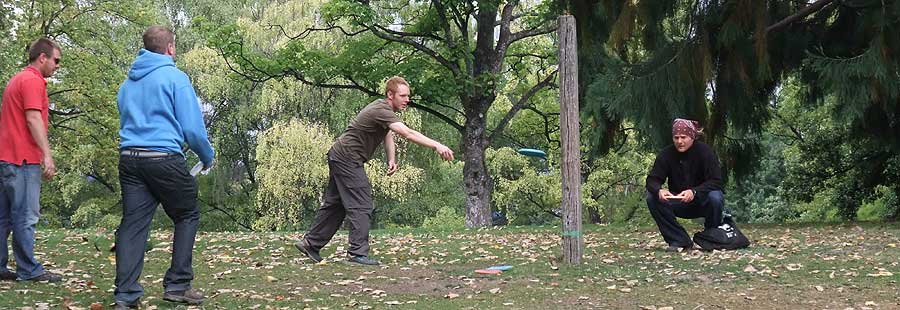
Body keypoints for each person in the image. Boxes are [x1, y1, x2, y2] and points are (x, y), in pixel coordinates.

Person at [295, 76, 454, 266]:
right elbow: (407, 133)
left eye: (408, 96)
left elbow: (387, 132)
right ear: (390, 94)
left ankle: (311, 243)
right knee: (361, 204)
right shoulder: (381, 109)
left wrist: (391, 158)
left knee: (336, 204)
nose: (407, 100)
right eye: (402, 96)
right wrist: (437, 145)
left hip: (340, 155)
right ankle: (357, 254)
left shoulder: (384, 110)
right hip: (347, 158)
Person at [113, 26, 214, 308]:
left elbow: (124, 115)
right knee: (187, 214)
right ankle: (178, 285)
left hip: (130, 158)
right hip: (163, 159)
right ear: (170, 48)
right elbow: (193, 129)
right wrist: (206, 156)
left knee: (133, 224)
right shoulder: (175, 78)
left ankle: (125, 295)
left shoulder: (128, 83)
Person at [0, 38, 64, 283]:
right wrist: (46, 154)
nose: (57, 66)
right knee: (26, 216)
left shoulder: (17, 79)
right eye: (56, 61)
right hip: (22, 159)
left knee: (4, 218)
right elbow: (33, 119)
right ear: (42, 58)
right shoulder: (32, 81)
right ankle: (29, 270)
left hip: (6, 157)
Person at [645, 118, 724, 252]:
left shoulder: (705, 152)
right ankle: (679, 240)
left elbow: (716, 181)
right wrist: (659, 190)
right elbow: (652, 180)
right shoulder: (666, 154)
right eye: (676, 137)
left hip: (702, 200)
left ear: (692, 136)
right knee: (652, 198)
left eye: (683, 137)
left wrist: (694, 192)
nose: (679, 141)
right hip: (678, 202)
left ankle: (712, 238)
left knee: (715, 197)